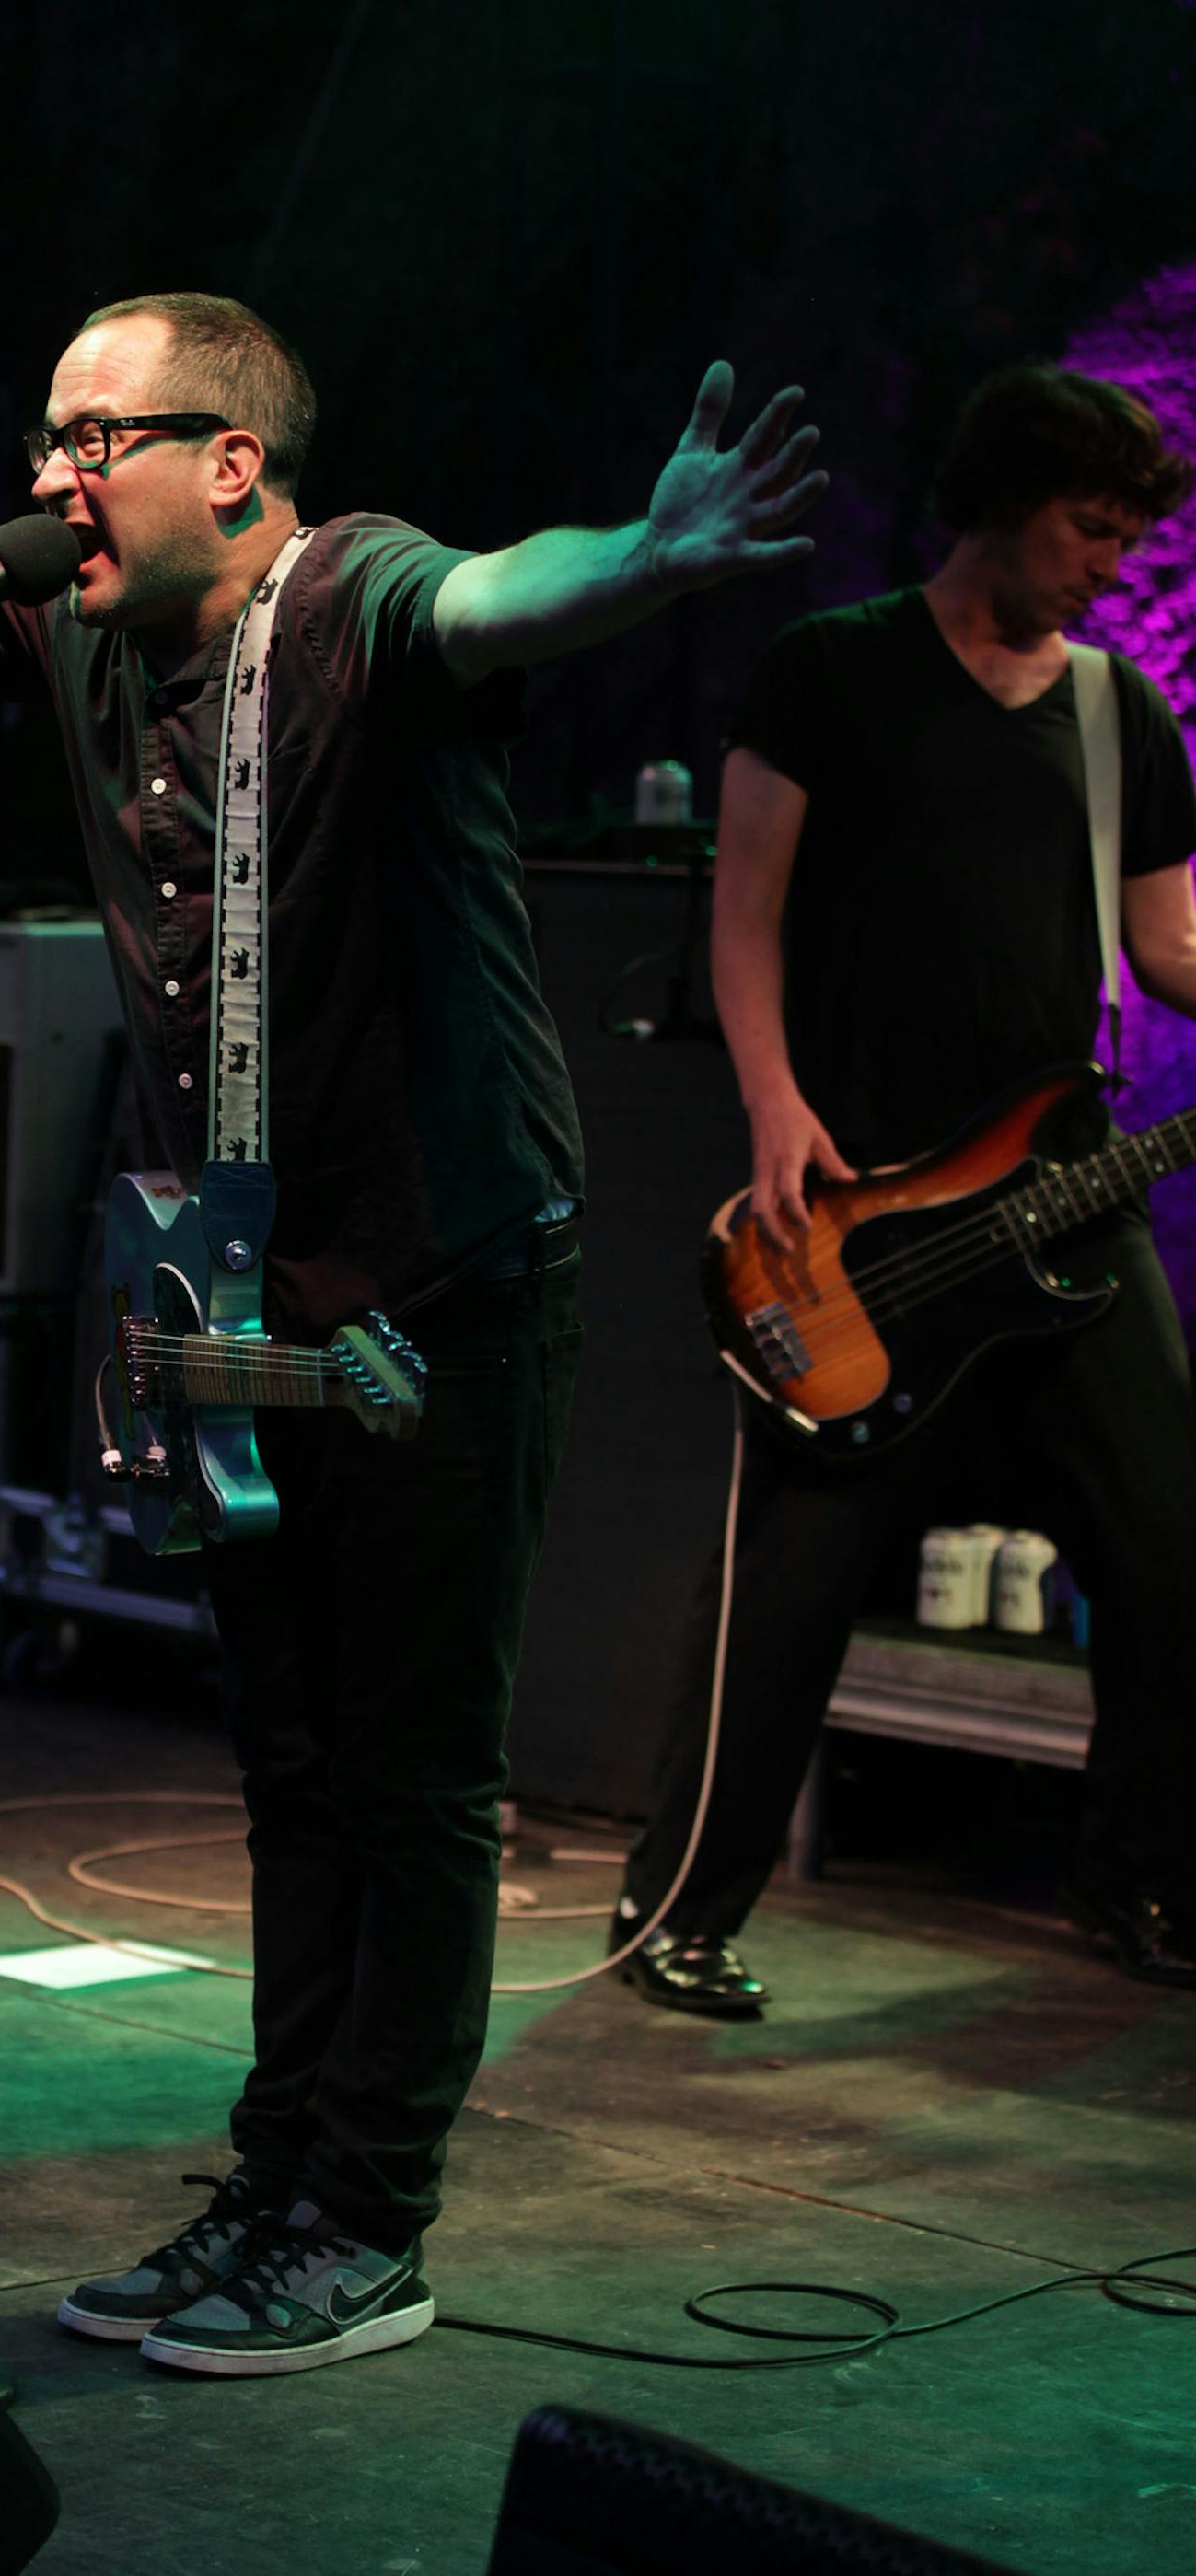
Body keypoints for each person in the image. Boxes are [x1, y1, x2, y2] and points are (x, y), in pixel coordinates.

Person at [0, 279, 823, 2372]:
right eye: (47, 434)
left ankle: (368, 2224)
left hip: (433, 1283)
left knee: (410, 1770)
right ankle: (273, 2185)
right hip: (231, 1284)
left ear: (228, 463)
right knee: (290, 1755)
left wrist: (652, 558)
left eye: (92, 436)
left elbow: (503, 596)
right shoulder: (77, 621)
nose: (52, 474)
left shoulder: (352, 595)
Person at [614, 365, 1196, 2015]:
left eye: (1129, 534)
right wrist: (774, 1101)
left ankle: (1137, 1875)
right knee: (790, 1586)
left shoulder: (1121, 714)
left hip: (1067, 1199)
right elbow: (743, 913)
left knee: (1174, 1548)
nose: (1110, 564)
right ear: (1000, 502)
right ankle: (678, 1912)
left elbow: (1167, 946)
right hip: (859, 1208)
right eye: (1089, 527)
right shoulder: (831, 670)